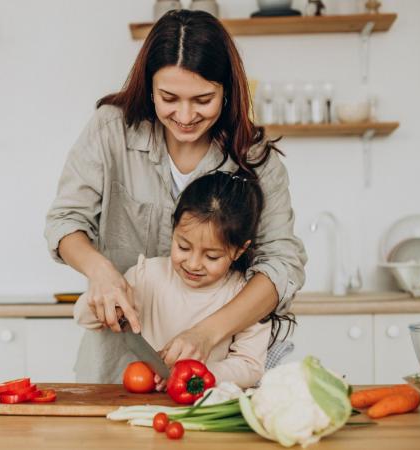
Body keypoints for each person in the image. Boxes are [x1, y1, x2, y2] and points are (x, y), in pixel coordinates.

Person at [45, 10, 307, 383]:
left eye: (203, 99)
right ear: (149, 87)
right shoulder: (111, 129)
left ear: (227, 91)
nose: (185, 115)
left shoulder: (253, 158)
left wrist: (207, 332)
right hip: (117, 367)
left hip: (214, 373)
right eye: (169, 97)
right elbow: (65, 221)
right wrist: (100, 272)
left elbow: (282, 263)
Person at [75, 170, 283, 388]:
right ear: (173, 230)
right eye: (183, 247)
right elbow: (82, 317)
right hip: (141, 402)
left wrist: (196, 375)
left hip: (204, 405)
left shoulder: (248, 297)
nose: (193, 264)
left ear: (239, 251)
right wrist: (105, 304)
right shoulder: (146, 274)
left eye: (212, 256)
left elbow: (249, 366)